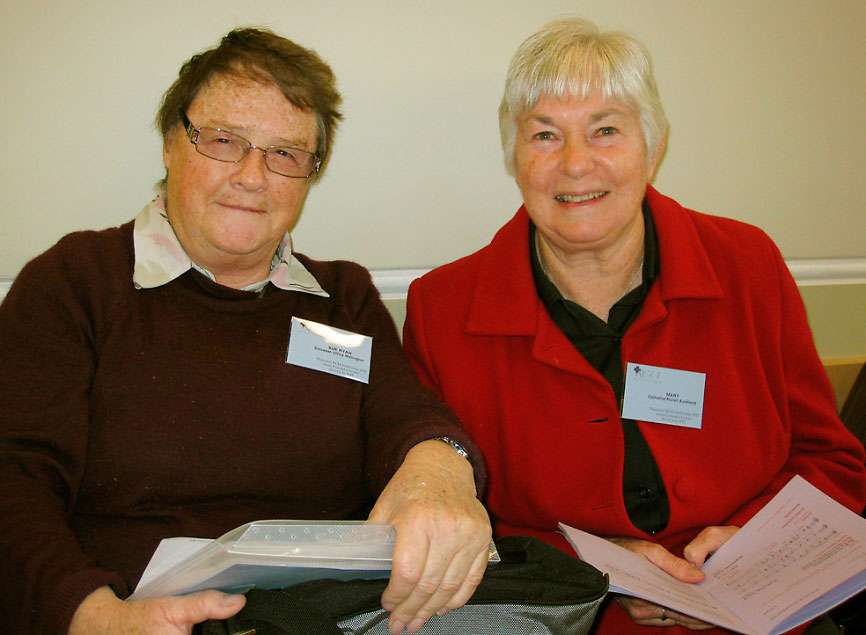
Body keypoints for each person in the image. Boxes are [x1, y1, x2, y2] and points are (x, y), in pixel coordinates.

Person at [0, 28, 491, 635]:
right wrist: (94, 617)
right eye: (225, 141)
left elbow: (405, 415)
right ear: (170, 143)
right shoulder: (75, 284)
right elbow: (14, 481)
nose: (253, 176)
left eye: (284, 153)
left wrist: (441, 467)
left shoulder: (343, 299)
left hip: (322, 619)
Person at [402, 17, 866, 634]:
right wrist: (594, 570)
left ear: (652, 143)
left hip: (760, 611)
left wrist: (751, 546)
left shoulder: (748, 265)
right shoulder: (442, 309)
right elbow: (461, 518)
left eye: (606, 131)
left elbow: (832, 461)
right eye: (544, 135)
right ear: (514, 156)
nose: (575, 163)